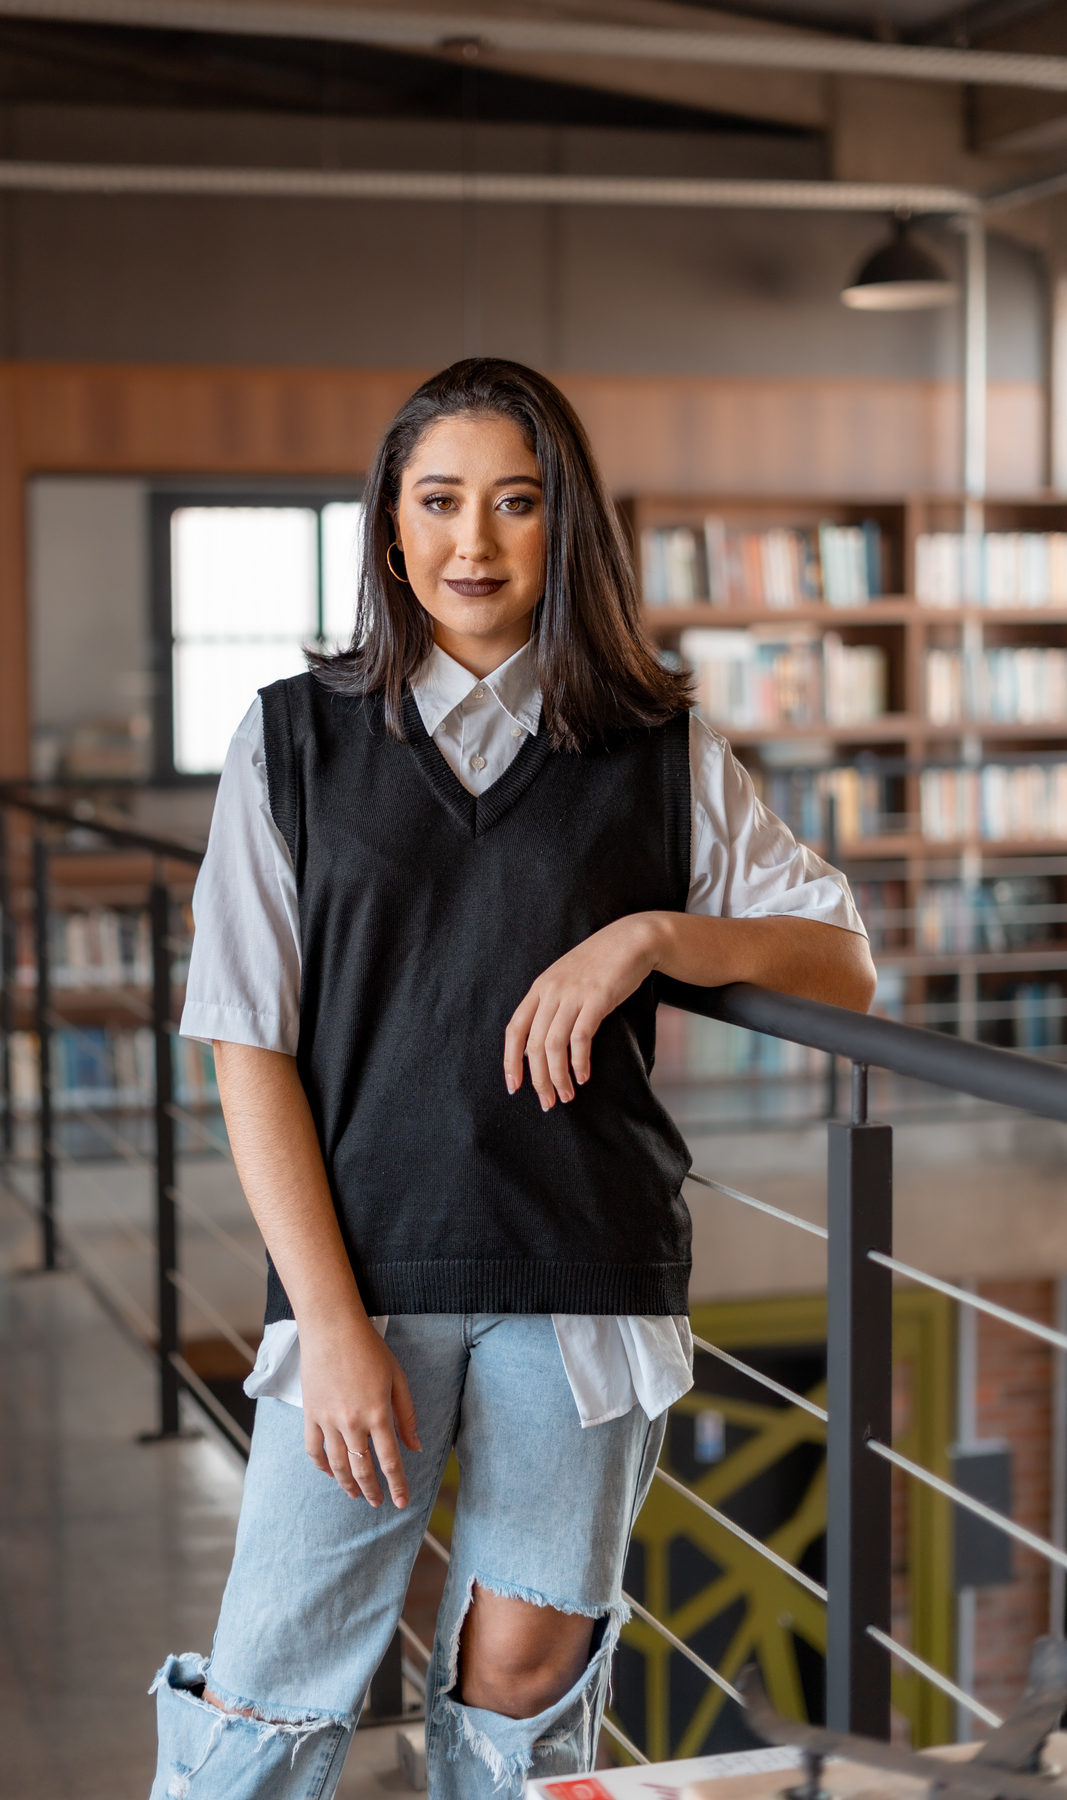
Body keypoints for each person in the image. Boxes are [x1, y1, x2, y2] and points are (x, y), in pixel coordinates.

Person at [148, 359, 875, 1800]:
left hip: (583, 1266)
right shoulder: (290, 743)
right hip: (366, 1275)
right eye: (439, 502)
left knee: (529, 1682)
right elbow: (250, 1050)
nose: (473, 543)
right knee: (276, 1691)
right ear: (391, 525)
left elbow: (840, 963)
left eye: (516, 503)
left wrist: (655, 934)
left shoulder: (661, 752)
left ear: (566, 530)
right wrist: (333, 1325)